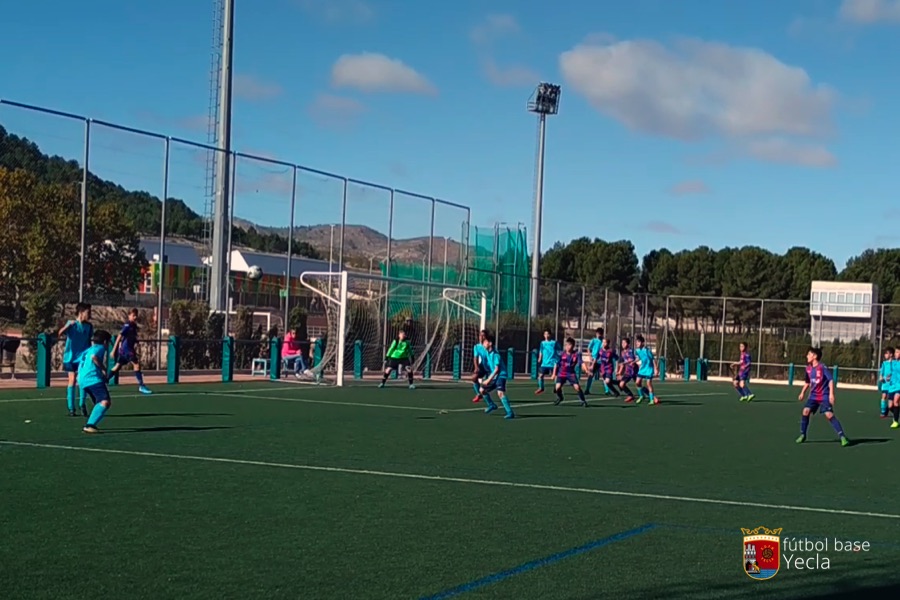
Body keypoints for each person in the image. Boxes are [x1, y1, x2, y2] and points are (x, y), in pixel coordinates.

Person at [796, 347, 850, 446]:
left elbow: (830, 380)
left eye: (809, 354)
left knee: (829, 414)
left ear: (815, 356)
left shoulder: (822, 367)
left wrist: (831, 394)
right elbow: (807, 382)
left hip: (824, 396)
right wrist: (802, 392)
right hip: (813, 396)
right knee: (805, 411)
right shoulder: (808, 368)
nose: (807, 356)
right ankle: (803, 434)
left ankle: (843, 437)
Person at [59, 302, 93, 416]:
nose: (90, 315)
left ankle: (82, 404)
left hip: (82, 357)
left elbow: (89, 341)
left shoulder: (89, 326)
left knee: (82, 380)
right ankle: (71, 408)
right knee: (72, 380)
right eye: (88, 312)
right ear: (81, 312)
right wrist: (68, 326)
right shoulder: (72, 324)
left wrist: (89, 355)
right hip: (70, 357)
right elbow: (60, 333)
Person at [109, 308, 152, 394]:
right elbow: (119, 336)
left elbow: (131, 337)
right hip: (127, 349)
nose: (135, 317)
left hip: (127, 349)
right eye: (133, 315)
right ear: (129, 316)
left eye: (136, 315)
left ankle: (104, 381)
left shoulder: (134, 326)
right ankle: (141, 385)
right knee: (136, 365)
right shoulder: (127, 325)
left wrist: (136, 342)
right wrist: (114, 350)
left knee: (117, 366)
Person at [81, 331, 113, 434]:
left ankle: (91, 422)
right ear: (104, 342)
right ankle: (90, 425)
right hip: (92, 379)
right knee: (105, 401)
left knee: (98, 401)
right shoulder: (100, 348)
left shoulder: (89, 349)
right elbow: (94, 357)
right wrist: (103, 370)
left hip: (83, 380)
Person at [479, 333, 514, 419]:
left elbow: (497, 369)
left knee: (500, 393)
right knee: (482, 390)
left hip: (501, 375)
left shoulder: (495, 354)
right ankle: (492, 405)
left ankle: (510, 412)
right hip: (494, 376)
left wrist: (488, 380)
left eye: (485, 342)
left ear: (490, 343)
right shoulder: (487, 353)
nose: (483, 344)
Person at [553, 337, 587, 407]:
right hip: (561, 373)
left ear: (573, 346)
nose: (568, 347)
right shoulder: (561, 354)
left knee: (577, 387)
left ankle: (583, 401)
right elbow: (556, 364)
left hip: (571, 373)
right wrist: (554, 374)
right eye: (566, 345)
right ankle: (560, 397)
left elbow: (582, 363)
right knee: (557, 388)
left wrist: (586, 369)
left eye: (570, 345)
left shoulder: (576, 354)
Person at [634, 335, 660, 405]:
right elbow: (639, 358)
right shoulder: (637, 350)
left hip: (649, 369)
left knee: (648, 384)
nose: (637, 343)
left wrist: (656, 369)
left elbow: (653, 359)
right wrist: (633, 362)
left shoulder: (647, 350)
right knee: (637, 382)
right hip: (642, 369)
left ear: (642, 343)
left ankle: (651, 400)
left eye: (638, 342)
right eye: (636, 342)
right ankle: (641, 396)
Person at [585, 328, 610, 395]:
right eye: (598, 334)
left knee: (604, 375)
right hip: (593, 360)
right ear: (596, 334)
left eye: (600, 334)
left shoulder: (603, 341)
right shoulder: (593, 340)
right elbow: (588, 349)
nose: (599, 335)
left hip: (601, 361)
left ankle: (607, 391)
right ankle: (587, 389)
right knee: (590, 375)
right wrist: (590, 357)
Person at [471, 330, 494, 404]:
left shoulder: (489, 346)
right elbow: (475, 357)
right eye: (480, 335)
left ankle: (490, 402)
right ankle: (479, 394)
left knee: (485, 386)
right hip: (483, 366)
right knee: (474, 377)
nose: (481, 337)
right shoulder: (477, 347)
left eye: (483, 335)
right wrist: (476, 367)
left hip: (491, 367)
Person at [535, 330, 560, 395]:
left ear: (550, 335)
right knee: (540, 375)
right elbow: (541, 351)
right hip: (544, 363)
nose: (546, 335)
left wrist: (558, 358)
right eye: (545, 334)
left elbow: (559, 351)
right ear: (544, 335)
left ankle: (556, 388)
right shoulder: (542, 343)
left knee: (556, 376)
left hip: (553, 362)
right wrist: (540, 357)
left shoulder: (554, 343)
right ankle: (541, 388)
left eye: (548, 334)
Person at [617, 338, 637, 403]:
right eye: (622, 343)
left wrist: (624, 363)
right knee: (621, 384)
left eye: (624, 343)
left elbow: (631, 359)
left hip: (634, 370)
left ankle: (652, 396)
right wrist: (619, 372)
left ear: (628, 344)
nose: (623, 344)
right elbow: (621, 364)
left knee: (638, 385)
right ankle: (630, 395)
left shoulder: (630, 351)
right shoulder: (622, 352)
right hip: (628, 371)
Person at [879, 347, 893, 418]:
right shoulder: (884, 364)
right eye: (885, 353)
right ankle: (883, 412)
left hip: (893, 385)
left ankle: (887, 410)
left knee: (892, 402)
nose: (885, 355)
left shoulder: (895, 363)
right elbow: (881, 376)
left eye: (886, 353)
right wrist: (883, 378)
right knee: (884, 396)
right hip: (885, 385)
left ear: (891, 354)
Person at [889, 347, 900, 429]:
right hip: (892, 386)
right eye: (895, 352)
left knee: (896, 401)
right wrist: (888, 377)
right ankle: (897, 414)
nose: (895, 353)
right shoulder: (892, 362)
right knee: (890, 406)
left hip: (899, 386)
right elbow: (891, 373)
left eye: (897, 352)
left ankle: (896, 421)